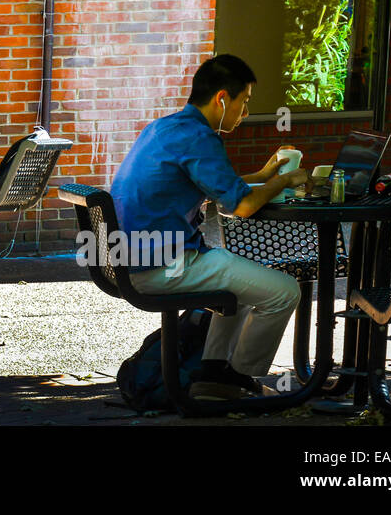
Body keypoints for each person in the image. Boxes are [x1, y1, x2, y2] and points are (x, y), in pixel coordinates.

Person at [111, 54, 310, 400]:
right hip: (163, 266)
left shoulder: (164, 128)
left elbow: (214, 189)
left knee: (242, 285)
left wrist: (264, 177)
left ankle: (214, 373)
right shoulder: (201, 138)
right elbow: (243, 207)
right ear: (222, 98)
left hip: (130, 262)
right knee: (285, 291)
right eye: (244, 102)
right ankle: (238, 377)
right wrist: (287, 180)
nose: (244, 113)